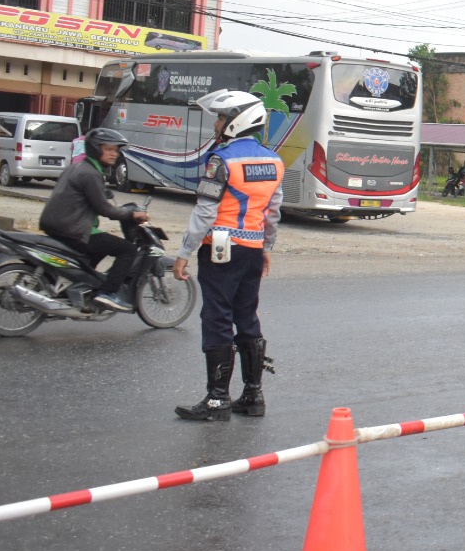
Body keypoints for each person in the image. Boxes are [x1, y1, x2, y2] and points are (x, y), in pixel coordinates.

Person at [170, 90, 283, 422]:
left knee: (217, 317)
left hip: (221, 248)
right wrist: (266, 248)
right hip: (252, 249)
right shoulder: (274, 161)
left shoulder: (221, 161)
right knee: (246, 316)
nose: (217, 124)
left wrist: (184, 251)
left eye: (221, 117)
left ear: (237, 121)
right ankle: (253, 395)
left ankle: (218, 399)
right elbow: (273, 212)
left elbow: (206, 211)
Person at [38, 127, 149, 313]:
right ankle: (108, 293)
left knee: (101, 246)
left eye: (116, 150)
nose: (114, 154)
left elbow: (83, 194)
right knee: (127, 249)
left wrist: (103, 193)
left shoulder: (77, 167)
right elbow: (104, 209)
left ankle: (82, 287)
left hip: (59, 225)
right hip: (73, 229)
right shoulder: (90, 173)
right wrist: (131, 215)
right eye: (109, 149)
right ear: (96, 149)